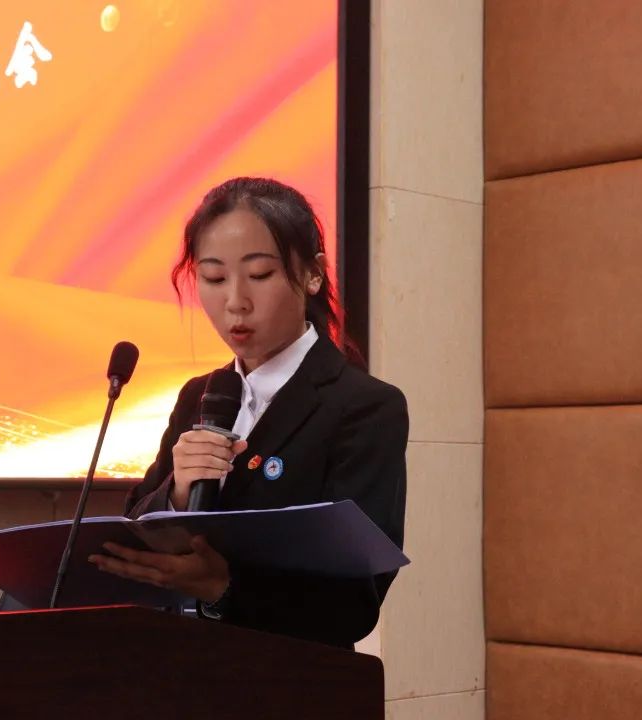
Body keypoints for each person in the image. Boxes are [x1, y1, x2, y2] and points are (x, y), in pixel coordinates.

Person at [88, 177, 408, 649]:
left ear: (313, 274)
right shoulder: (199, 396)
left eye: (259, 275)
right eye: (214, 279)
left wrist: (223, 588)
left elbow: (356, 602)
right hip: (174, 665)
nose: (235, 301)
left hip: (289, 675)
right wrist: (176, 493)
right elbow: (134, 533)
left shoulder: (363, 406)